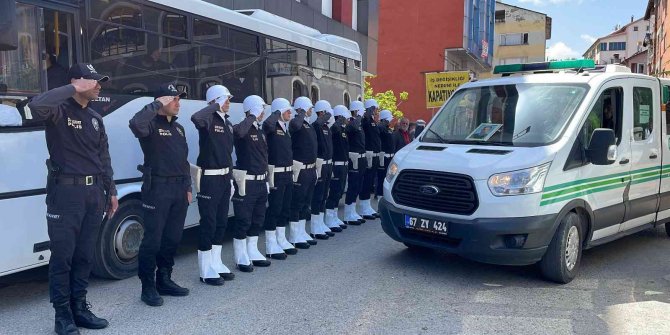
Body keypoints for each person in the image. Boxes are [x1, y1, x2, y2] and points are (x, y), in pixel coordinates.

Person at [28, 63, 117, 334]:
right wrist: (72, 88)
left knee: (84, 255)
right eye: (93, 80)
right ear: (77, 81)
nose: (98, 85)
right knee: (63, 257)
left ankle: (80, 308)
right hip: (65, 194)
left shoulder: (94, 117)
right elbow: (35, 105)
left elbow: (104, 158)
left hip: (93, 194)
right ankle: (62, 315)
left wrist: (111, 191)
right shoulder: (58, 109)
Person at [130, 83, 191, 307]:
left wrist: (187, 187)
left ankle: (164, 279)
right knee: (152, 241)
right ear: (162, 101)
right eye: (173, 99)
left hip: (178, 191)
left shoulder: (179, 128)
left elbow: (184, 162)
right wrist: (156, 104)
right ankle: (148, 287)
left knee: (172, 239)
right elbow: (135, 124)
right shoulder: (149, 125)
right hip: (157, 189)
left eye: (178, 99)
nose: (178, 103)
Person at [190, 85, 236, 286]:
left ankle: (216, 263)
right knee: (208, 223)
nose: (228, 103)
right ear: (216, 100)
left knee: (221, 222)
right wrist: (214, 105)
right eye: (226, 99)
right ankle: (205, 270)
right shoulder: (207, 119)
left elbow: (227, 154)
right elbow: (196, 118)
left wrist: (232, 178)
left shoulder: (227, 122)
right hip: (209, 178)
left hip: (225, 178)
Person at [231, 95, 272, 271]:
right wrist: (251, 116)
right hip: (246, 182)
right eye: (260, 109)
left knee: (257, 220)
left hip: (261, 182)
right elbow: (238, 132)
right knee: (243, 220)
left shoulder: (260, 130)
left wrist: (267, 179)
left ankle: (252, 251)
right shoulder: (243, 127)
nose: (263, 112)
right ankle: (241, 257)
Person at [263, 97, 298, 258]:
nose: (290, 113)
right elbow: (267, 125)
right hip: (276, 173)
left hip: (287, 172)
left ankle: (281, 239)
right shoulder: (271, 126)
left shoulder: (285, 128)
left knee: (285, 207)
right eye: (287, 110)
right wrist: (276, 113)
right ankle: (271, 244)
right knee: (275, 208)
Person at [287, 96, 318, 248]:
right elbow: (295, 126)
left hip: (311, 169)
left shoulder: (309, 125)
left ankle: (301, 231)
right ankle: (294, 235)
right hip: (300, 169)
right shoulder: (295, 122)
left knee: (306, 203)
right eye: (309, 108)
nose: (311, 110)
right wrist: (300, 112)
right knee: (297, 202)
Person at [309, 100, 336, 238]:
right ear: (321, 112)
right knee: (318, 195)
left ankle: (320, 222)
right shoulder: (316, 126)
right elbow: (316, 125)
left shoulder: (326, 127)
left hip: (328, 163)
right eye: (327, 112)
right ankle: (315, 226)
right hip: (320, 164)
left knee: (324, 194)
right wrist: (321, 119)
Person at [324, 105, 351, 231]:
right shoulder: (335, 128)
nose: (347, 120)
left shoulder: (342, 129)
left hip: (344, 164)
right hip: (336, 164)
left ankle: (334, 216)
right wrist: (337, 121)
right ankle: (329, 218)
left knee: (339, 191)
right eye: (345, 117)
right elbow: (333, 130)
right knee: (334, 191)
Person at [343, 101, 367, 225]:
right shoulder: (352, 122)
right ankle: (347, 213)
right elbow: (351, 128)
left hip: (362, 157)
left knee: (358, 185)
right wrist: (358, 116)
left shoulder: (359, 123)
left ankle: (352, 210)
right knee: (353, 185)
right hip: (354, 158)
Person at [357, 99, 381, 219]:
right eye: (374, 108)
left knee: (370, 180)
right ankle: (363, 207)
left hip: (375, 154)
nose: (376, 110)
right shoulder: (366, 120)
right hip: (369, 154)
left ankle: (367, 205)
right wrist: (367, 113)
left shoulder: (372, 121)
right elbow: (363, 123)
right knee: (366, 181)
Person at [377, 110, 395, 199]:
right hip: (383, 156)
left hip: (390, 157)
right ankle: (380, 196)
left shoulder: (388, 129)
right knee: (381, 177)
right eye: (388, 119)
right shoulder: (380, 127)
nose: (390, 121)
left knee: (388, 177)